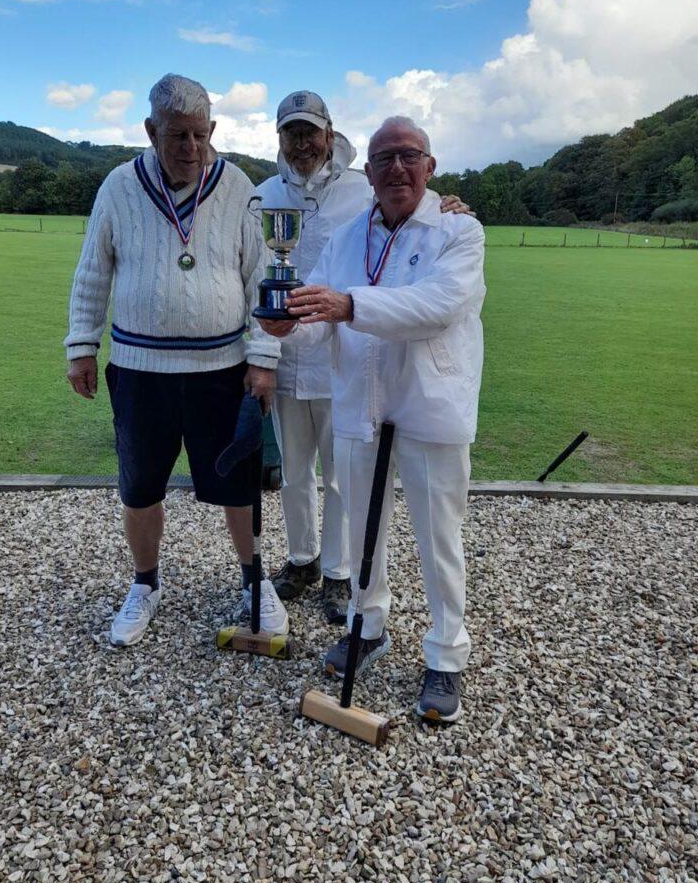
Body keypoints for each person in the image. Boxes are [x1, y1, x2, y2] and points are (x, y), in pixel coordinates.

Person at [259, 116, 485, 723]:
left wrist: (348, 304)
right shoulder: (348, 236)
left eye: (409, 156)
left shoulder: (458, 230)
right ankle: (368, 623)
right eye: (383, 159)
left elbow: (436, 307)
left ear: (430, 166)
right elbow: (318, 305)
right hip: (360, 401)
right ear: (367, 170)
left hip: (430, 406)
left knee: (438, 539)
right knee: (361, 529)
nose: (396, 169)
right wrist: (291, 322)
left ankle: (445, 653)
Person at [65, 73, 288, 647]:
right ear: (150, 131)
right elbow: (94, 271)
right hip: (141, 372)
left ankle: (252, 579)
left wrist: (263, 358)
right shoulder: (117, 186)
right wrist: (82, 347)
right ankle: (145, 584)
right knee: (140, 487)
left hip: (222, 371)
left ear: (213, 129)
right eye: (177, 136)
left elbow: (263, 278)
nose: (191, 149)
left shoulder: (238, 185)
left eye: (199, 134)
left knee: (237, 486)